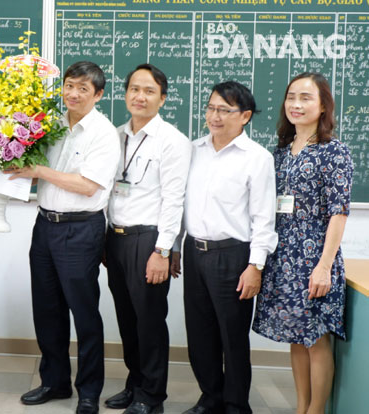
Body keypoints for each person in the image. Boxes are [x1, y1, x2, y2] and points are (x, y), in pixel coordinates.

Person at [10, 61, 120, 414]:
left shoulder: (104, 133)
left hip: (80, 229)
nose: (73, 93)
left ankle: (88, 391)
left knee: (84, 313)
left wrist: (40, 171)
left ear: (98, 94)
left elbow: (88, 186)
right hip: (45, 226)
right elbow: (32, 169)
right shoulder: (52, 125)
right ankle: (54, 382)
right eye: (69, 85)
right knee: (47, 309)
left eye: (83, 88)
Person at [252, 73, 353, 414]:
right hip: (283, 255)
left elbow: (339, 214)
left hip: (314, 258)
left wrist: (324, 266)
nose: (296, 104)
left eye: (306, 98)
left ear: (323, 105)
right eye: (291, 96)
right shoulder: (280, 152)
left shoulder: (334, 151)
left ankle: (316, 410)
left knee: (316, 339)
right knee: (295, 335)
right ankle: (300, 408)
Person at [182, 81, 277, 414]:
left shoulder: (257, 158)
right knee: (199, 334)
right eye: (210, 108)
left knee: (232, 337)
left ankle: (236, 404)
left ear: (245, 116)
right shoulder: (193, 149)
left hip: (233, 255)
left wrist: (256, 266)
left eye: (224, 110)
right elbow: (180, 202)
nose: (215, 116)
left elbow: (263, 218)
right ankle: (210, 397)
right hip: (194, 251)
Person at [105, 63, 191, 414]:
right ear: (125, 94)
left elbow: (175, 199)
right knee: (126, 319)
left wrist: (163, 250)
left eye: (149, 91)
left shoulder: (173, 141)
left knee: (150, 321)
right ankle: (134, 382)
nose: (140, 96)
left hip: (149, 240)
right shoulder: (115, 135)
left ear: (163, 99)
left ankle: (151, 397)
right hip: (116, 238)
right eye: (134, 89)